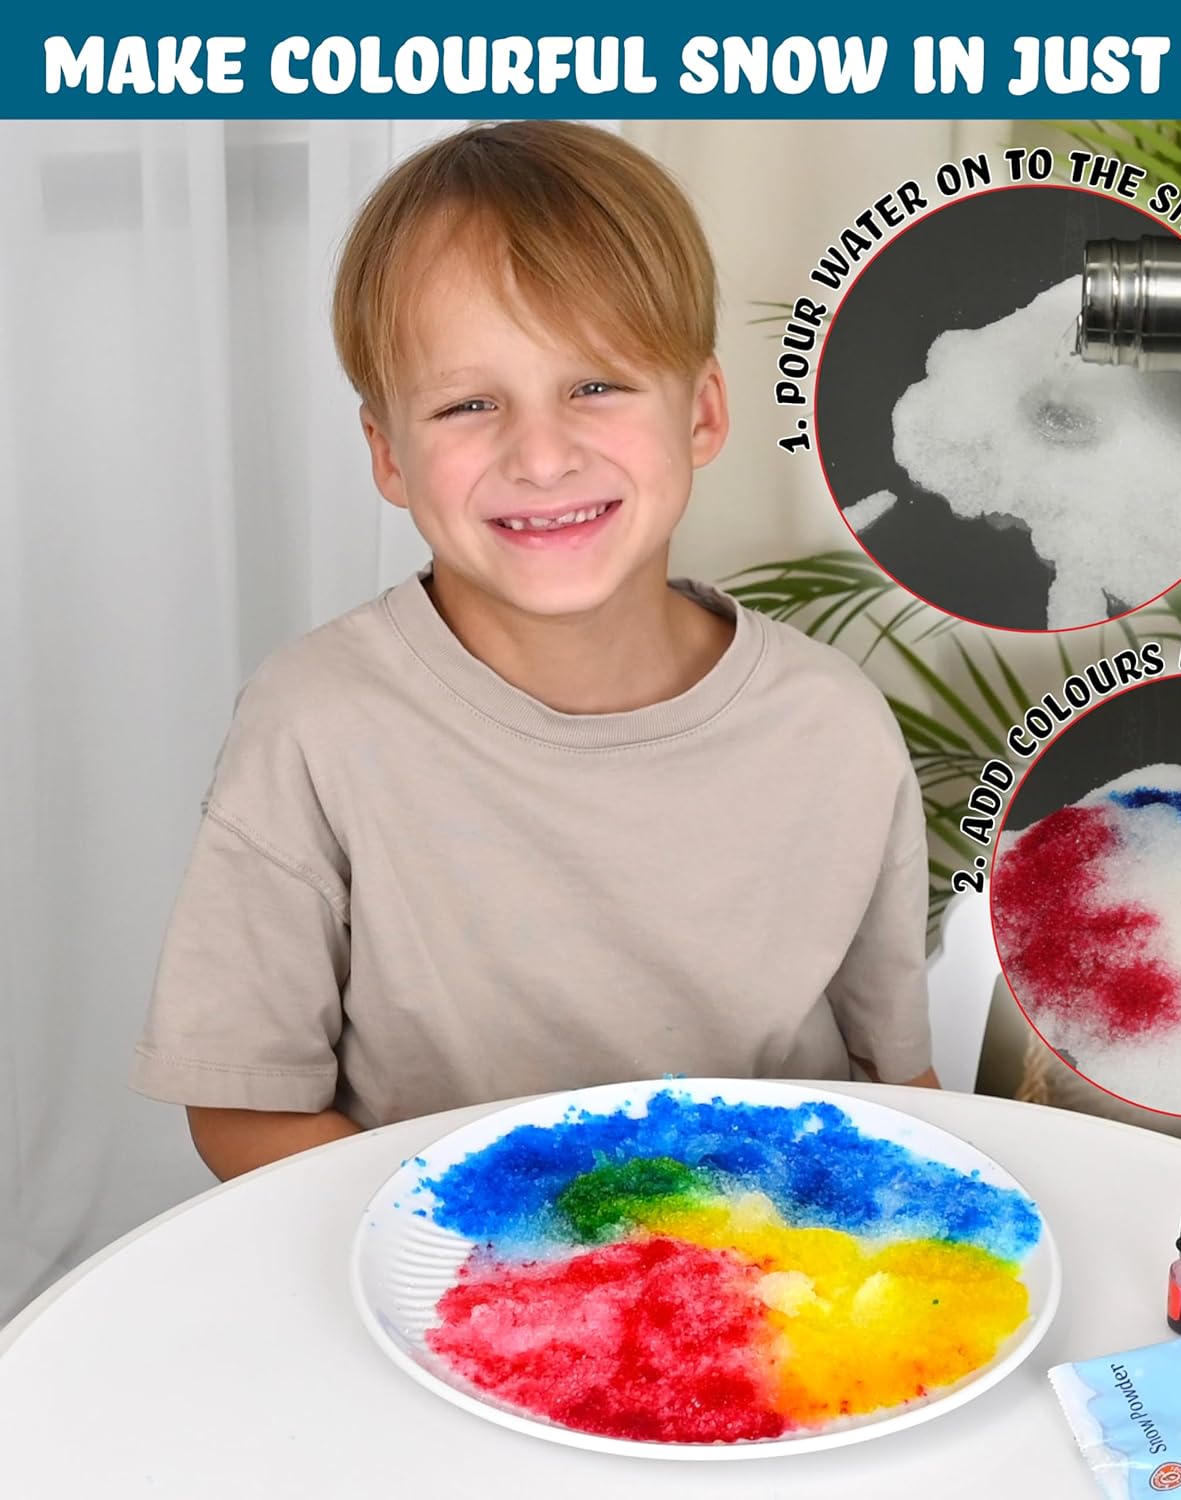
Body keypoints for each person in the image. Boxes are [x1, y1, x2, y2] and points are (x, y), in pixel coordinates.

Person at [131, 122, 937, 1181]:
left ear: (700, 411)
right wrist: (508, 1270)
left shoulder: (832, 725)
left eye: (594, 385)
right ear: (388, 454)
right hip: (440, 1296)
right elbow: (243, 1108)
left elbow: (902, 1094)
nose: (543, 454)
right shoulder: (314, 725)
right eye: (469, 404)